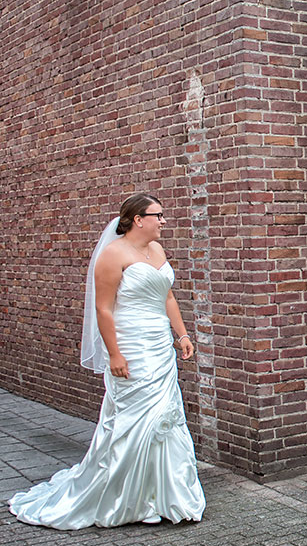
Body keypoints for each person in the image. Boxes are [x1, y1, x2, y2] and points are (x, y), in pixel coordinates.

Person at [8, 194, 205, 529]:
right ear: (138, 219)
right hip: (131, 345)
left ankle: (166, 495)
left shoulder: (156, 251)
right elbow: (104, 308)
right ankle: (122, 497)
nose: (163, 221)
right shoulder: (112, 255)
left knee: (165, 417)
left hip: (159, 346)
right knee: (135, 420)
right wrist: (114, 353)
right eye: (158, 215)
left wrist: (182, 334)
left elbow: (167, 296)